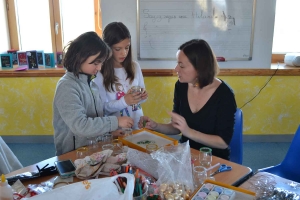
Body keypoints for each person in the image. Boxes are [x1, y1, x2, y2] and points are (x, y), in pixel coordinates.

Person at [138, 39, 237, 160]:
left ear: (200, 68)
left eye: (182, 65)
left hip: (213, 159)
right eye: (177, 63)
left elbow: (222, 142)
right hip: (185, 154)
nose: (176, 69)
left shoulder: (224, 95)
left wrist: (189, 132)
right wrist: (156, 126)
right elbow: (177, 127)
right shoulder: (181, 86)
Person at [53, 31, 134, 156]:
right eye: (96, 63)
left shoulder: (92, 84)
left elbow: (95, 120)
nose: (100, 68)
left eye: (101, 62)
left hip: (92, 151)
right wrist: (116, 121)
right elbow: (81, 126)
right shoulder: (67, 86)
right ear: (79, 58)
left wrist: (109, 133)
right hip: (73, 155)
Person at [94, 22, 148, 130]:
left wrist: (142, 96)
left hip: (137, 125)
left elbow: (140, 100)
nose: (124, 53)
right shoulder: (100, 71)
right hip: (116, 130)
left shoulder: (135, 66)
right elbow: (102, 109)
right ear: (108, 47)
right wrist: (124, 101)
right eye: (118, 49)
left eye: (127, 48)